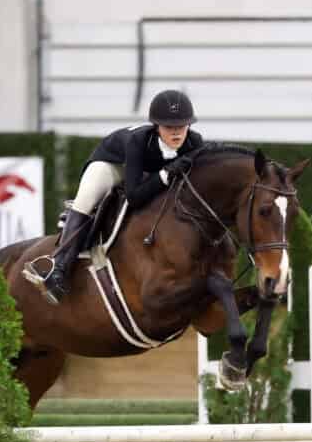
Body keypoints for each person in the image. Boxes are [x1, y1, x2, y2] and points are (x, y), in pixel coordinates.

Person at [30, 89, 204, 305]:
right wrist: (166, 173)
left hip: (147, 171)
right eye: (169, 127)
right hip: (113, 164)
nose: (176, 133)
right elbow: (134, 196)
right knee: (87, 200)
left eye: (182, 126)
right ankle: (59, 267)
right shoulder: (138, 141)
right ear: (157, 127)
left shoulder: (195, 142)